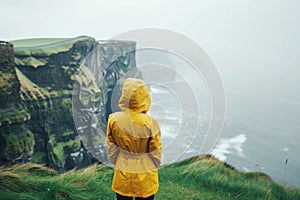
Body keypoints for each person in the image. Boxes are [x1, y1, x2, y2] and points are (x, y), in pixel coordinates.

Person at [106, 78, 162, 200]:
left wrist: (117, 161)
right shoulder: (151, 122)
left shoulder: (113, 119)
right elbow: (155, 150)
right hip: (145, 171)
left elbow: (111, 146)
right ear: (145, 96)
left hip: (123, 168)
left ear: (125, 95)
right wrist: (154, 164)